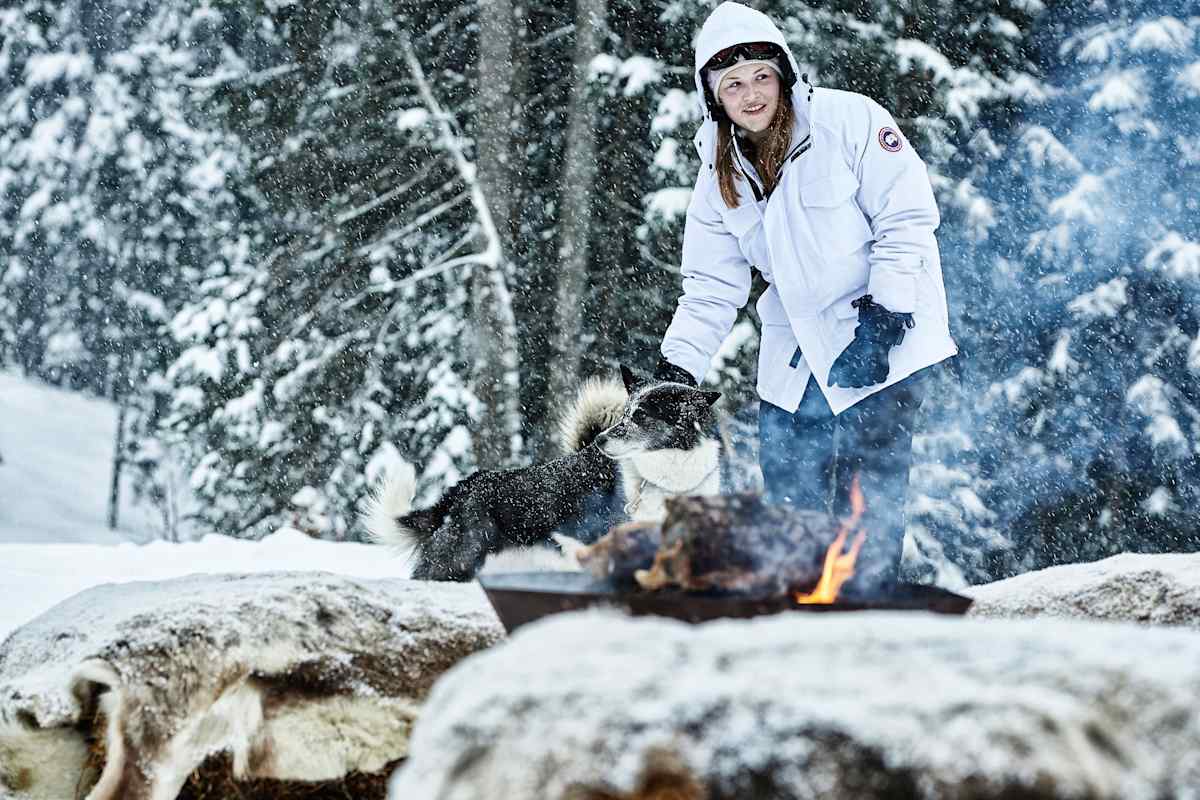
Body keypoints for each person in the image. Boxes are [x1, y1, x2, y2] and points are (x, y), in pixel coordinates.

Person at [653, 1, 958, 591]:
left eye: (761, 77)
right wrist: (677, 369)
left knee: (866, 508)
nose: (750, 94)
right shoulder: (718, 175)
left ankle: (863, 617)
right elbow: (711, 285)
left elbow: (907, 219)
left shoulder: (849, 121)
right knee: (790, 502)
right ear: (713, 96)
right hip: (796, 350)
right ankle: (797, 615)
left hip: (883, 336)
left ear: (784, 75)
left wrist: (886, 320)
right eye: (733, 84)